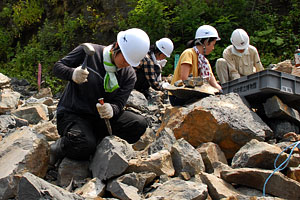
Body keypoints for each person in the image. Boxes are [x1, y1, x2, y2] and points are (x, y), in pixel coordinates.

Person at [50, 28, 150, 165]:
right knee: (84, 145)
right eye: (125, 58)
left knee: (138, 124)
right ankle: (61, 146)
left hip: (100, 120)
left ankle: (94, 142)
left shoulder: (129, 75)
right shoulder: (89, 53)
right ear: (116, 47)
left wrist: (112, 109)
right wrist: (72, 74)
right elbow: (57, 67)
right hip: (73, 114)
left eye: (130, 62)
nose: (126, 64)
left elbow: (119, 103)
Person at [169, 25, 222, 106]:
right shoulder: (189, 53)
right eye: (213, 44)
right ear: (206, 42)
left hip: (192, 94)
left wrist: (220, 91)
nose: (213, 48)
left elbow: (212, 81)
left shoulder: (204, 61)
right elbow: (184, 79)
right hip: (179, 95)